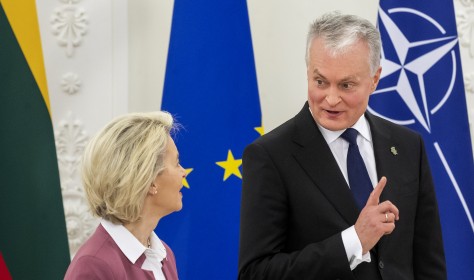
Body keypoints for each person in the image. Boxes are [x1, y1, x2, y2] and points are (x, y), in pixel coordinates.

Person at [238, 11, 446, 279]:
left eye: (346, 85)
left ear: (374, 79)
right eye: (320, 82)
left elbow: (429, 262)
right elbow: (255, 273)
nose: (331, 99)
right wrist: (354, 241)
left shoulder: (408, 146)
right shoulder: (270, 156)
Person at [64, 111, 186, 280]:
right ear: (150, 179)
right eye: (177, 163)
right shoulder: (93, 265)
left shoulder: (164, 255)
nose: (183, 172)